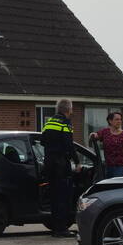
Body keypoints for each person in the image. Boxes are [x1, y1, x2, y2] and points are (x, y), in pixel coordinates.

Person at [40, 98, 79, 237]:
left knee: (54, 197)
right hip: (61, 165)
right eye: (72, 109)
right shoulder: (66, 123)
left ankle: (56, 227)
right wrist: (77, 161)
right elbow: (69, 145)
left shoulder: (49, 122)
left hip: (49, 164)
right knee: (63, 197)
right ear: (68, 110)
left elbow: (43, 141)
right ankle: (62, 229)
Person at [90, 111, 123, 178]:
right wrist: (92, 135)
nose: (119, 121)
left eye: (120, 119)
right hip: (107, 166)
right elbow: (95, 135)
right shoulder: (105, 132)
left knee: (116, 187)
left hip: (120, 167)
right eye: (117, 119)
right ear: (110, 121)